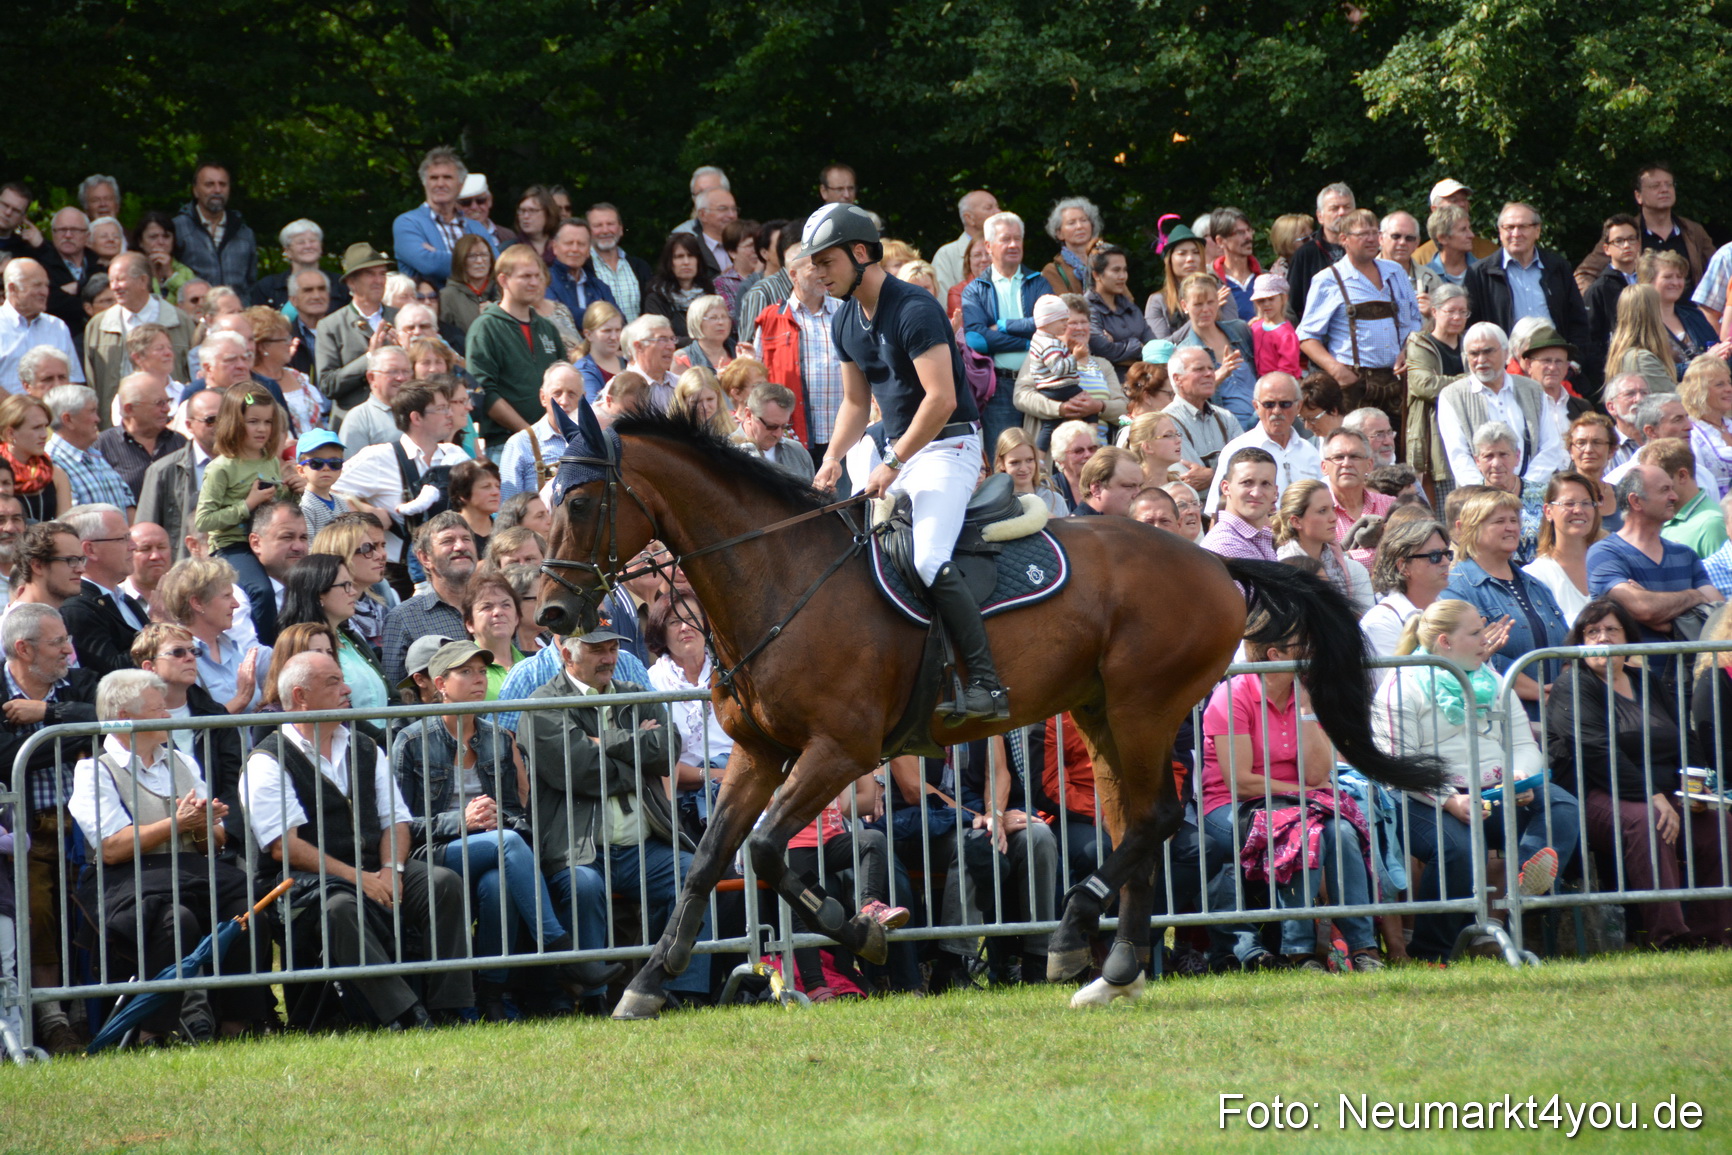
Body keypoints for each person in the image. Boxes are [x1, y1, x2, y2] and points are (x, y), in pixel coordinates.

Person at [803, 203, 1002, 723]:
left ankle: (986, 683)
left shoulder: (914, 308)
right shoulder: (845, 317)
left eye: (826, 262)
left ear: (861, 253)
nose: (818, 273)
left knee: (926, 559)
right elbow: (853, 403)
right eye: (815, 264)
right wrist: (831, 458)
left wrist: (890, 461)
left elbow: (938, 400)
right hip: (896, 449)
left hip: (949, 446)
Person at [241, 650, 472, 1028]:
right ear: (300, 696)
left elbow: (396, 820)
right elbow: (286, 847)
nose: (347, 689)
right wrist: (357, 877)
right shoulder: (267, 759)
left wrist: (391, 869)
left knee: (441, 884)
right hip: (301, 882)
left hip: (371, 867)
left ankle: (451, 1006)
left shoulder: (364, 746)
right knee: (340, 909)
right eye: (333, 682)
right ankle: (402, 1013)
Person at [392, 638, 620, 1021]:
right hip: (434, 852)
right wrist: (461, 822)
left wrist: (498, 818)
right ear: (441, 684)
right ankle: (564, 951)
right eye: (465, 673)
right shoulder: (411, 740)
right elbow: (400, 825)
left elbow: (518, 817)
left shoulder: (497, 738)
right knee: (508, 844)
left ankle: (492, 996)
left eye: (482, 672)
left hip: (495, 849)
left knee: (499, 883)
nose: (479, 680)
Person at [68, 668, 278, 1040]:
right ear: (123, 718)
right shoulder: (93, 771)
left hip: (190, 871)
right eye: (158, 710)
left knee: (248, 912)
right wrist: (178, 823)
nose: (168, 716)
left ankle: (237, 1026)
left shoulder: (181, 762)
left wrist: (203, 824)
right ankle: (152, 1033)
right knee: (174, 922)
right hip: (129, 882)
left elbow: (213, 842)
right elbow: (113, 847)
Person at [1374, 600, 1578, 961]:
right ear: (1444, 642)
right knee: (1458, 848)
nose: (1487, 640)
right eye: (1475, 633)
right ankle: (1433, 953)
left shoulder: (1494, 680)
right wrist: (1450, 801)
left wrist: (1522, 777)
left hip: (1495, 791)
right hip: (1421, 798)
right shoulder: (1402, 683)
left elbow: (1520, 742)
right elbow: (1399, 761)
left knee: (1561, 804)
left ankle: (1521, 885)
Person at [518, 623, 711, 1003]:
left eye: (612, 648)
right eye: (597, 651)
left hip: (645, 845)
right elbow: (579, 771)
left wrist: (601, 742)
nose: (609, 659)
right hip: (581, 850)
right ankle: (594, 996)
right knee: (584, 886)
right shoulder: (542, 703)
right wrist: (637, 751)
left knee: (692, 874)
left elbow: (666, 749)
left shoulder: (636, 694)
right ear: (567, 655)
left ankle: (681, 992)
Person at [1549, 598, 1732, 948]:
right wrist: (1652, 795)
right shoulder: (1573, 686)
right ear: (1579, 643)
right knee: (1650, 822)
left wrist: (1691, 789)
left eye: (1612, 630)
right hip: (1600, 792)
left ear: (1630, 640)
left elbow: (1685, 738)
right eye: (1593, 632)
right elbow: (1598, 752)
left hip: (1665, 791)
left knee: (1717, 825)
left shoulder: (1646, 681)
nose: (1602, 639)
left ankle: (1715, 933)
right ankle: (1666, 935)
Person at [1200, 622, 1383, 971]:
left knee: (1341, 832)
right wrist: (1302, 794)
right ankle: (1301, 951)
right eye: (1306, 646)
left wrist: (1307, 708)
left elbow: (1316, 775)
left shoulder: (1309, 694)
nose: (1315, 653)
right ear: (1275, 655)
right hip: (1233, 807)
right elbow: (1241, 782)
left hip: (1299, 805)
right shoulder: (1232, 694)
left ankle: (1364, 948)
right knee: (1305, 833)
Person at [1296, 208, 1422, 433]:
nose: (1372, 239)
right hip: (1354, 387)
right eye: (1364, 233)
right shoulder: (1328, 279)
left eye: (1375, 233)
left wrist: (1408, 349)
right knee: (1356, 452)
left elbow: (1415, 320)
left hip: (1398, 383)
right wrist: (1336, 370)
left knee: (1399, 451)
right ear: (1344, 239)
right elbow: (1306, 337)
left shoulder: (1395, 273)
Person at [1588, 463, 1724, 645]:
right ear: (1636, 501)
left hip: (1690, 671)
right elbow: (1644, 608)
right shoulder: (1605, 554)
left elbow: (1720, 616)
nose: (1674, 497)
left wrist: (1670, 622)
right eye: (1664, 490)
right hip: (1637, 672)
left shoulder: (1685, 554)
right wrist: (1694, 597)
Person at [1437, 322, 1565, 490]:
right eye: (1474, 353)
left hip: (1532, 493)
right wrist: (1487, 494)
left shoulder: (1533, 390)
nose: (1481, 360)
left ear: (1506, 353)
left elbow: (1550, 446)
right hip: (1479, 499)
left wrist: (1525, 487)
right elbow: (1459, 456)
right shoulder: (1452, 396)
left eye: (1488, 351)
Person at [961, 210, 1048, 451]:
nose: (1013, 244)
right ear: (988, 246)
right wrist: (1027, 343)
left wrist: (1002, 325)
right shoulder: (975, 290)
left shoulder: (1039, 282)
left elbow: (1049, 325)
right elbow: (977, 339)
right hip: (1000, 386)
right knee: (1005, 460)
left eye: (1017, 238)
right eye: (1005, 239)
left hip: (1040, 383)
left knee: (1041, 461)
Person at [1463, 202, 1591, 362]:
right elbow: (1472, 327)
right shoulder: (1480, 273)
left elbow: (1577, 320)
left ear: (1537, 231)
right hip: (1506, 367)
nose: (1516, 234)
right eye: (1509, 227)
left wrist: (1574, 361)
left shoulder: (1557, 267)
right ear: (1500, 232)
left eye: (1523, 226)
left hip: (1555, 364)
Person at [1573, 163, 1717, 297]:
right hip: (1642, 319)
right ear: (1638, 196)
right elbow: (1583, 274)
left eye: (1669, 185)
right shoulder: (1624, 234)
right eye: (1655, 186)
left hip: (1688, 318)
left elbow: (1721, 274)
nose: (1665, 189)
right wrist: (1611, 306)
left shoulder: (1693, 231)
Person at [279, 553, 387, 711]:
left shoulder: (351, 638)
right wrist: (378, 736)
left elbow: (391, 693)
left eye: (352, 584)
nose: (353, 592)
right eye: (345, 586)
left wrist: (397, 729)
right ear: (319, 593)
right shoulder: (302, 645)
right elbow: (338, 709)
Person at [1204, 372, 1321, 516]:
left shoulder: (1310, 452)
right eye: (1269, 404)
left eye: (1285, 404)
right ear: (1256, 406)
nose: (1277, 411)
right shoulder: (1236, 449)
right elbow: (1217, 511)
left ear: (1298, 406)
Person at [158, 556, 264, 714]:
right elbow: (194, 724)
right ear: (197, 603)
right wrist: (241, 699)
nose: (235, 604)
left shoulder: (236, 649)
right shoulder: (177, 657)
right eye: (227, 596)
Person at [381, 512, 475, 689]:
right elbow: (396, 694)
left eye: (466, 539)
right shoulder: (403, 618)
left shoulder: (497, 607)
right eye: (448, 541)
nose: (460, 546)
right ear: (425, 558)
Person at [58, 503, 144, 676]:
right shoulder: (78, 608)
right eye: (123, 538)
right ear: (90, 550)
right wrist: (161, 634)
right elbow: (111, 672)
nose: (133, 546)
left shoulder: (125, 600)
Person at [137, 387, 222, 562]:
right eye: (211, 420)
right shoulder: (163, 471)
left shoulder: (247, 465)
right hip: (184, 570)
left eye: (227, 418)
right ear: (190, 425)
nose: (221, 426)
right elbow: (146, 532)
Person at [391, 146, 495, 290]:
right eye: (434, 178)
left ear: (461, 184)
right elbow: (429, 265)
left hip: (475, 309)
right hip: (429, 309)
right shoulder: (407, 223)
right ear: (424, 182)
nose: (440, 184)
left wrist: (437, 255)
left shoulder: (476, 227)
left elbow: (496, 267)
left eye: (447, 177)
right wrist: (478, 262)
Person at [1359, 515, 1451, 671]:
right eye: (1434, 556)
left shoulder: (1452, 611)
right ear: (1403, 566)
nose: (1446, 562)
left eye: (1447, 554)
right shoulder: (1380, 623)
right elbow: (1394, 688)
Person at [1172, 272, 1258, 430]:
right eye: (1198, 304)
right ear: (1184, 306)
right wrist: (1218, 375)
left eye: (1210, 302)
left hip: (1264, 416)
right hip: (1231, 428)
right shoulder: (1185, 352)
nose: (1206, 309)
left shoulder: (1239, 329)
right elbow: (1186, 401)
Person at [1274, 479, 1373, 611]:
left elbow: (1366, 625)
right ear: (1296, 521)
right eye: (1322, 511)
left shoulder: (1353, 570)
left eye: (1332, 508)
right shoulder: (1279, 569)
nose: (1333, 517)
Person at [1523, 470, 1605, 626]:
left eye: (1586, 503)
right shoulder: (1535, 576)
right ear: (1548, 511)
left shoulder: (1609, 565)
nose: (1579, 510)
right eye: (1569, 503)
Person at [1161, 345, 1241, 496]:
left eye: (1211, 368)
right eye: (1199, 369)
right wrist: (1228, 475)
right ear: (1177, 379)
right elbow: (1188, 480)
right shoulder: (1166, 422)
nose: (1210, 374)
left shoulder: (1226, 418)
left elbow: (1247, 467)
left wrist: (1211, 475)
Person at [95, 374, 186, 502]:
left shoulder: (179, 442)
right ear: (130, 409)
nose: (167, 409)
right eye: (159, 403)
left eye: (168, 401)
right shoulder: (102, 447)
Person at [500, 363, 583, 501]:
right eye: (557, 393)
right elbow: (508, 508)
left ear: (583, 399)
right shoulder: (520, 444)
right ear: (543, 397)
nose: (564, 401)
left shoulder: (593, 441)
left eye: (572, 394)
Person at [1, 259, 84, 394]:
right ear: (13, 289)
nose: (44, 292)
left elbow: (73, 379)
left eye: (46, 286)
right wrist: (19, 411)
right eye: (37, 285)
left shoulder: (57, 326)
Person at [171, 162, 257, 292]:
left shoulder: (244, 233)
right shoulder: (177, 228)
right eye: (209, 184)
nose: (217, 190)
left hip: (236, 310)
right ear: (195, 190)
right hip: (196, 309)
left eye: (222, 184)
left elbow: (251, 282)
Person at [1646, 437, 1729, 561]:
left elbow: (1722, 577)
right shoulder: (1661, 517)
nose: (1648, 489)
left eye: (1657, 480)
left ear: (1682, 475)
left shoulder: (1711, 525)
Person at [0, 393, 72, 523]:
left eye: (45, 427)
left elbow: (66, 525)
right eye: (36, 428)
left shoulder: (55, 474)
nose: (44, 435)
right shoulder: (2, 472)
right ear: (10, 433)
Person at [247, 306, 319, 436]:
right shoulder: (251, 384)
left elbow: (318, 424)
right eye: (284, 339)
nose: (290, 343)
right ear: (263, 346)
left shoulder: (297, 376)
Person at [1201, 447, 1279, 562]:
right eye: (1247, 482)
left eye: (1265, 484)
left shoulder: (1260, 537)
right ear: (1226, 488)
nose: (1256, 493)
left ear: (1275, 492)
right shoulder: (1225, 544)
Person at [1674, 353, 1732, 500]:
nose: (1729, 388)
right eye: (1720, 384)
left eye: (1729, 382)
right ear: (1699, 391)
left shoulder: (1729, 425)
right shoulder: (1692, 433)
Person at [733, 382, 814, 484]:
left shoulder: (798, 453)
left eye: (785, 426)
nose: (778, 434)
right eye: (771, 426)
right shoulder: (726, 454)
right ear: (749, 415)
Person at [585, 202, 653, 324]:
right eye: (598, 225)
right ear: (588, 232)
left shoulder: (640, 267)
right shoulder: (582, 269)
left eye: (610, 224)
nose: (605, 230)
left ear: (620, 229)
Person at [641, 234, 714, 345]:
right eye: (679, 256)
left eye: (691, 256)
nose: (686, 262)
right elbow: (661, 338)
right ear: (669, 263)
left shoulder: (709, 294)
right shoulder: (657, 298)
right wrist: (702, 342)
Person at [1142, 222, 1207, 339]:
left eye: (1196, 252)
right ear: (1169, 261)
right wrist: (1199, 317)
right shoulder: (1157, 301)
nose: (1190, 259)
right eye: (1182, 253)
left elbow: (1232, 337)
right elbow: (1161, 347)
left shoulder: (1220, 292)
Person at [545, 219, 615, 324]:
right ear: (555, 247)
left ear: (589, 250)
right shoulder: (544, 281)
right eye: (569, 243)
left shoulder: (600, 287)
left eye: (581, 244)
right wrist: (602, 319)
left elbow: (618, 321)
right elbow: (555, 319)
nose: (575, 249)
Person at [932, 190, 999, 301]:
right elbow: (943, 304)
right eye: (989, 208)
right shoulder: (946, 255)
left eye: (997, 206)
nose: (998, 212)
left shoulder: (1005, 250)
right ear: (969, 218)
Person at [1563, 412, 1621, 529]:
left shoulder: (1623, 496)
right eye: (1581, 443)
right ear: (1571, 451)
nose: (1588, 450)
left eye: (1597, 442)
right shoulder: (1558, 495)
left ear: (1611, 451)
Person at [993, 427, 1067, 517]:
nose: (1023, 468)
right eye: (1015, 462)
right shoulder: (994, 504)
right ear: (1001, 463)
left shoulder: (1054, 499)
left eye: (1029, 460)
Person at [1041, 196, 1104, 296]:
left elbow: (1127, 302)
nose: (1079, 226)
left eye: (1084, 220)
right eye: (1071, 223)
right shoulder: (1052, 271)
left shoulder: (1106, 260)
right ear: (1059, 233)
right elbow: (1065, 307)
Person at [438, 234, 497, 340]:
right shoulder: (447, 296)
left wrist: (497, 313)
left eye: (484, 255)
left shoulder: (503, 290)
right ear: (461, 260)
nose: (479, 261)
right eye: (472, 256)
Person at [1247, 273, 1299, 378]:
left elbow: (1287, 368)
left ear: (1284, 299)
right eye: (1261, 300)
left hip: (1278, 385)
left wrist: (1274, 382)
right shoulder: (1255, 326)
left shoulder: (1286, 334)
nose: (1266, 304)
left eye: (1271, 299)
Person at [1070, 446, 1142, 518]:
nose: (1139, 494)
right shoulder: (1074, 528)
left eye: (1140, 486)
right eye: (1128, 486)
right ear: (1096, 489)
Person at [450, 459, 501, 557]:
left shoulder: (505, 531)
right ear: (463, 494)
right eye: (486, 486)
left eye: (497, 486)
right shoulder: (447, 534)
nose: (496, 492)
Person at [674, 294, 735, 373]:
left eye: (724, 317)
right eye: (713, 318)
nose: (721, 322)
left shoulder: (740, 353)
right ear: (697, 322)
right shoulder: (683, 358)